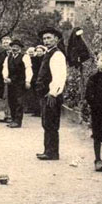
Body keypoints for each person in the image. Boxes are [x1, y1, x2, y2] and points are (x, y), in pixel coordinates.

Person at [35, 27, 67, 160]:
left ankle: (52, 152)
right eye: (44, 38)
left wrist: (53, 92)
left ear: (56, 39)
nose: (46, 41)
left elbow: (59, 76)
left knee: (51, 123)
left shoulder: (57, 54)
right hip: (46, 94)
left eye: (49, 38)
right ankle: (48, 149)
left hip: (51, 95)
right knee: (46, 122)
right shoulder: (48, 53)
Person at [1, 39, 32, 128]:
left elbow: (28, 69)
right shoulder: (8, 57)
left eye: (17, 47)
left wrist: (28, 81)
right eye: (13, 47)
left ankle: (18, 121)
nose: (14, 48)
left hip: (20, 82)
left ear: (20, 48)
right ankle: (13, 119)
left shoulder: (25, 57)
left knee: (19, 102)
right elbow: (5, 68)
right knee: (11, 101)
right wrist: (5, 77)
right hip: (11, 83)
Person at [0, 35, 12, 123]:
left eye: (8, 43)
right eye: (4, 43)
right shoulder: (0, 54)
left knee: (11, 97)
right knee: (4, 96)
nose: (6, 44)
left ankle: (11, 115)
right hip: (3, 78)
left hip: (13, 78)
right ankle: (6, 115)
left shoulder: (14, 53)